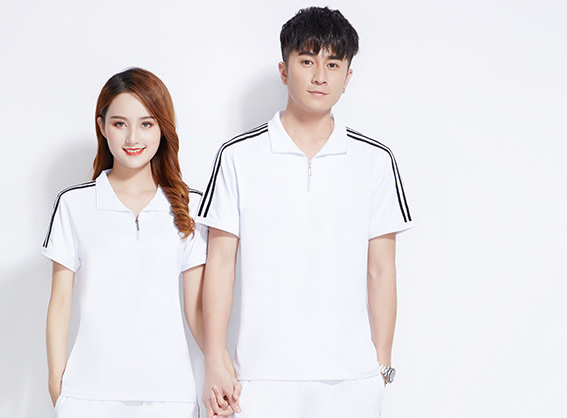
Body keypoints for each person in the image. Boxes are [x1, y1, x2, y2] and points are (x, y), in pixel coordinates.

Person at [197, 7, 414, 418]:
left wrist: (381, 367)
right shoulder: (238, 156)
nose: (320, 76)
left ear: (348, 77)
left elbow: (382, 269)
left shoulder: (374, 161)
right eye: (307, 61)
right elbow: (220, 265)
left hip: (352, 382)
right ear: (284, 70)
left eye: (333, 64)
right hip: (259, 379)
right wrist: (214, 360)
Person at [42, 67, 235, 418]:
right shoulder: (74, 204)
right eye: (120, 124)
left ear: (163, 128)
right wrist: (57, 383)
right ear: (102, 127)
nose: (133, 137)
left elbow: (196, 309)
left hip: (170, 398)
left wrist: (221, 369)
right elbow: (60, 303)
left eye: (146, 124)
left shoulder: (190, 205)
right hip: (89, 397)